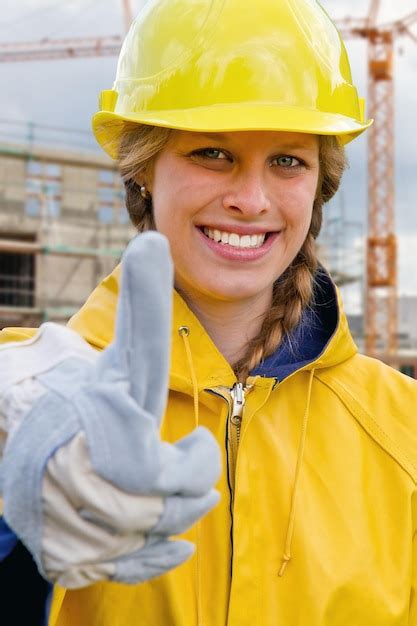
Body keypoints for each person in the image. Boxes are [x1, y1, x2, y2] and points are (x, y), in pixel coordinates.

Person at [1, 0, 417, 624]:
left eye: (286, 160)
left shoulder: (402, 430)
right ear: (144, 169)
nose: (250, 200)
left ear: (317, 185)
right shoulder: (33, 397)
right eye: (211, 154)